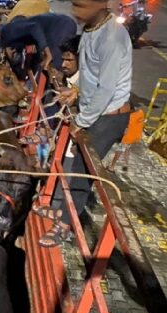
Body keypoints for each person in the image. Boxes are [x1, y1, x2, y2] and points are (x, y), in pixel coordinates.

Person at [36, 0, 132, 247]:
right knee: (77, 166)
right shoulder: (90, 29)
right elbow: (91, 73)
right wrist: (77, 92)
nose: (76, 12)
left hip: (109, 115)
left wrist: (82, 119)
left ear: (100, 5)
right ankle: (62, 213)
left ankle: (65, 226)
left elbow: (107, 87)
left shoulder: (111, 38)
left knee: (82, 171)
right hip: (95, 109)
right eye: (75, 5)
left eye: (81, 6)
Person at [0, 13, 77, 77]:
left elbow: (34, 27)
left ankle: (53, 112)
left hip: (60, 26)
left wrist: (47, 53)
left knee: (49, 71)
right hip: (47, 34)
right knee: (37, 72)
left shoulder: (9, 29)